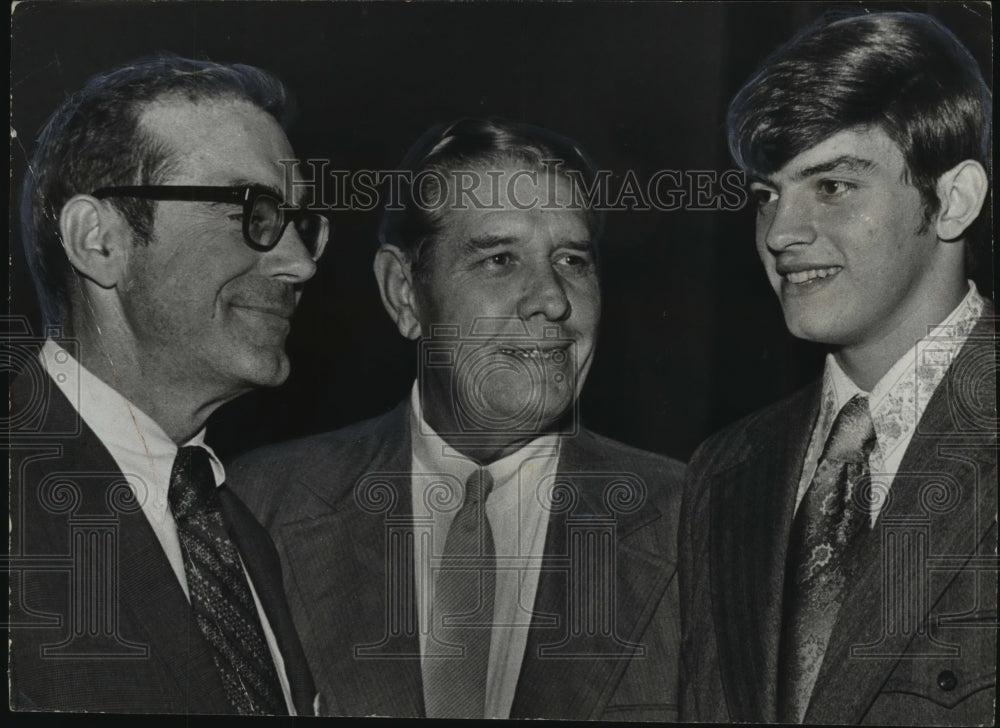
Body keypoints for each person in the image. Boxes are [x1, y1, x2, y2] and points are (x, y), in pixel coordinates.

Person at [230, 117, 684, 719]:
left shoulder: (694, 524)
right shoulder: (257, 507)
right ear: (404, 294)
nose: (551, 298)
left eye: (572, 259)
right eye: (499, 259)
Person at [679, 11, 995, 725]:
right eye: (767, 195)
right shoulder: (724, 472)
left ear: (953, 199)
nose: (780, 234)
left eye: (832, 187)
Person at [9, 54, 328, 714]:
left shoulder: (234, 530)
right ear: (100, 242)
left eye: (300, 224)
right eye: (254, 212)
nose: (298, 263)